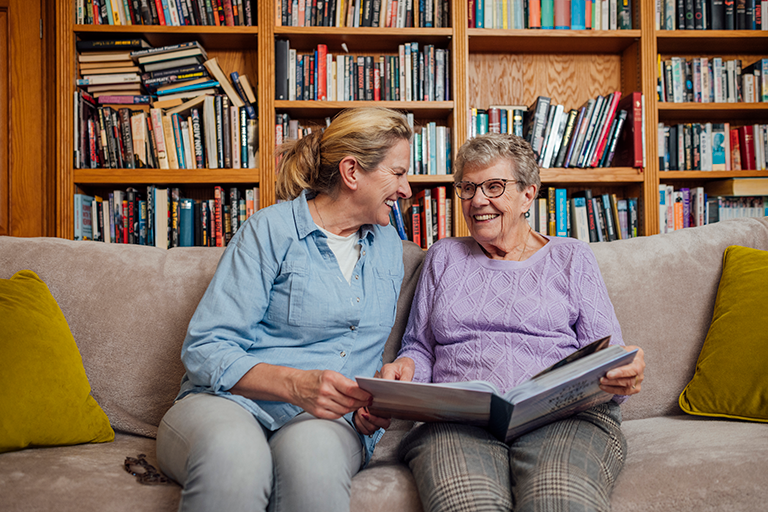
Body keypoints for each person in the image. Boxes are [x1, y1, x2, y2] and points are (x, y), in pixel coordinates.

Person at [156, 108, 413, 512]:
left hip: (326, 424)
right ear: (352, 172)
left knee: (313, 465)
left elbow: (364, 353)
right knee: (235, 458)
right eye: (397, 173)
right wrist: (295, 385)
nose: (408, 189)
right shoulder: (269, 230)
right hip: (227, 403)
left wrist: (368, 407)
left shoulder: (389, 248)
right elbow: (205, 348)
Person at [381, 133, 646, 512]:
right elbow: (419, 348)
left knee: (557, 499)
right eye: (468, 188)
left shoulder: (571, 258)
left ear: (527, 195)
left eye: (493, 186)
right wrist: (407, 368)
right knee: (468, 503)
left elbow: (606, 356)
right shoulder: (443, 257)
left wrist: (622, 371)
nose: (477, 201)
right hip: (459, 421)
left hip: (565, 418)